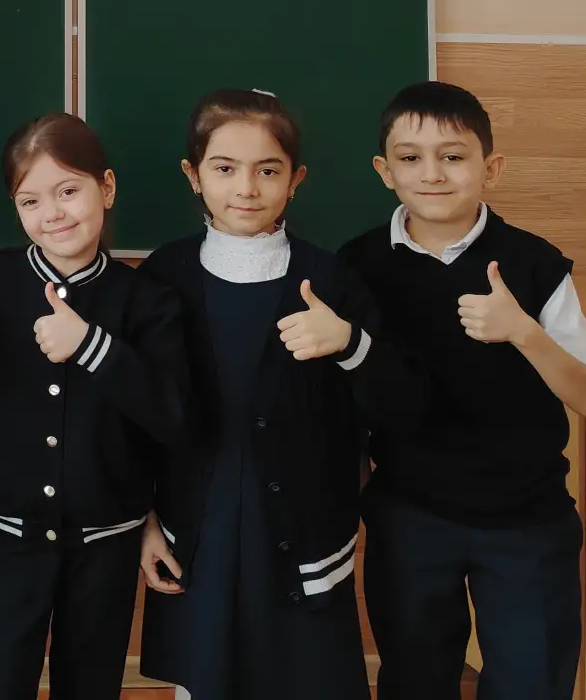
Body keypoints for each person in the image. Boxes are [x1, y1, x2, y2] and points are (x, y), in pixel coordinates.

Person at [137, 88, 423, 700]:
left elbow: (400, 405)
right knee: (206, 675)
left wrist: (349, 342)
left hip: (304, 529)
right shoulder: (164, 276)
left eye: (268, 171)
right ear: (193, 174)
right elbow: (137, 417)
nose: (246, 188)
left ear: (296, 179)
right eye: (224, 168)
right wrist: (146, 520)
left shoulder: (333, 279)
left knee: (306, 675)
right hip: (200, 526)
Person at [344, 80, 586, 700]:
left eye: (453, 156)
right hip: (409, 517)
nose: (432, 174)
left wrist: (523, 331)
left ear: (491, 168)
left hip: (528, 520)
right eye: (410, 158)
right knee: (414, 680)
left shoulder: (534, 263)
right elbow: (346, 401)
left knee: (532, 681)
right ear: (385, 171)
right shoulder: (356, 266)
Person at [0, 112, 187, 700]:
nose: (54, 213)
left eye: (69, 191)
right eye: (31, 200)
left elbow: (171, 418)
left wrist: (92, 346)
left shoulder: (148, 300)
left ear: (106, 188)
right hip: (8, 539)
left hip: (108, 544)